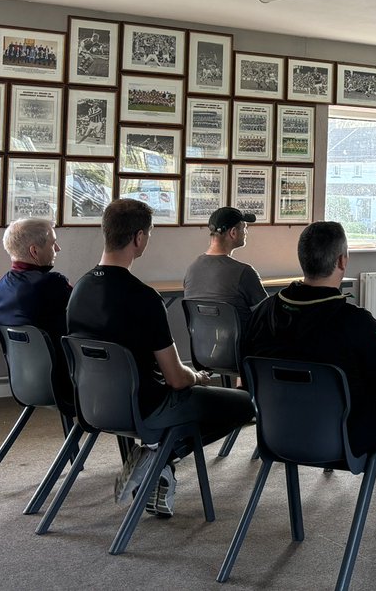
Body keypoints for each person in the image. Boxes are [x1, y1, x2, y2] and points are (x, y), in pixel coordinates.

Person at [243, 221, 376, 528]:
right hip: (341, 438)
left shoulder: (263, 311)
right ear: (342, 261)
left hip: (276, 434)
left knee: (371, 402)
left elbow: (247, 372)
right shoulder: (355, 321)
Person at [67, 199, 254, 517]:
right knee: (246, 404)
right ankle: (161, 456)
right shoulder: (144, 297)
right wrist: (198, 377)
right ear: (139, 238)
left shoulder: (79, 290)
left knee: (195, 402)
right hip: (147, 408)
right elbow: (176, 379)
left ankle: (158, 459)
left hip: (95, 405)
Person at [0, 218, 74, 409]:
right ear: (34, 251)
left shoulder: (1, 289)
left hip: (26, 383)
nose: (58, 248)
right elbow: (86, 313)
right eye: (53, 243)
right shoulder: (52, 284)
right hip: (65, 384)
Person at [182, 206, 267, 333]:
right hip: (244, 344)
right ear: (233, 232)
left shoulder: (191, 269)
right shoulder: (244, 272)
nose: (246, 232)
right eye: (244, 228)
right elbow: (267, 315)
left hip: (204, 344)